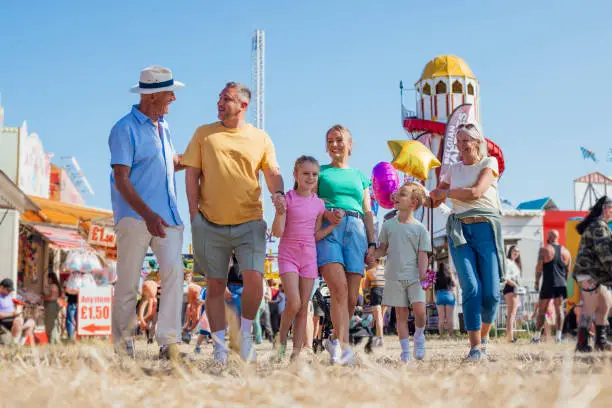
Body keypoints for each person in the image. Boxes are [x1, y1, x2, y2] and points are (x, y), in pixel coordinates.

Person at [182, 82, 284, 364]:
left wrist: (278, 194)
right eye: (219, 98)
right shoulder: (204, 134)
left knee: (255, 280)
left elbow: (272, 172)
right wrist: (194, 215)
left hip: (250, 221)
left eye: (226, 99)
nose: (219, 103)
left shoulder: (260, 138)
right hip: (209, 223)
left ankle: (247, 334)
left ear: (243, 105)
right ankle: (218, 347)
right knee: (214, 287)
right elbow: (191, 174)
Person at [109, 66, 186, 361]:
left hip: (168, 218)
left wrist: (195, 160)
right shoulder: (123, 128)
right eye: (170, 93)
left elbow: (166, 164)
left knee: (174, 273)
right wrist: (148, 214)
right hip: (134, 217)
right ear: (153, 96)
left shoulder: (164, 127)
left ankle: (169, 342)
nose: (173, 99)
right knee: (128, 282)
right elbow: (122, 178)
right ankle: (124, 345)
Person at [430, 122, 505, 361]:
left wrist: (446, 193)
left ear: (477, 142)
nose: (460, 145)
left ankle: (483, 339)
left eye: (465, 140)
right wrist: (427, 194)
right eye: (457, 141)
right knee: (471, 287)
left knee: (492, 294)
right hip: (460, 230)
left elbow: (476, 192)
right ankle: (474, 348)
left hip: (486, 228)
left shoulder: (489, 163)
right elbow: (434, 199)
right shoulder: (451, 169)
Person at [317, 124, 376, 365]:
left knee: (352, 298)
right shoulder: (319, 172)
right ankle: (342, 349)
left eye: (339, 140)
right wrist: (324, 208)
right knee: (338, 289)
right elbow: (306, 199)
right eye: (330, 140)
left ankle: (334, 338)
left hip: (356, 229)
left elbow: (368, 210)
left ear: (350, 145)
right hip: (329, 227)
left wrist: (372, 242)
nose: (334, 144)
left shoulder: (360, 176)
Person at [271, 155, 337, 360]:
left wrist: (333, 225)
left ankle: (296, 353)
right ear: (296, 175)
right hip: (288, 255)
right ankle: (281, 339)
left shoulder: (319, 205)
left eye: (314, 174)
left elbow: (315, 235)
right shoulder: (287, 198)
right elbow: (277, 232)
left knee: (304, 306)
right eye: (305, 173)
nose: (310, 177)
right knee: (294, 303)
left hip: (309, 257)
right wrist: (280, 211)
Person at [371, 182, 431, 362]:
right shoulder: (388, 225)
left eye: (402, 194)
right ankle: (405, 351)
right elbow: (383, 249)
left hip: (415, 277)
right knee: (401, 315)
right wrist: (374, 253)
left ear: (413, 203)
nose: (396, 195)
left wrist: (423, 277)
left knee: (420, 311)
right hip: (394, 276)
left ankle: (419, 335)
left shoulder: (420, 229)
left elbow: (423, 255)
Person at [573, 196, 612, 352]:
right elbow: (605, 254)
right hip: (588, 273)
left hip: (594, 274)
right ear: (604, 209)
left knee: (604, 305)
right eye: (611, 208)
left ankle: (600, 341)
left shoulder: (600, 225)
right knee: (589, 308)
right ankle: (581, 345)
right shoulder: (598, 226)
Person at [532, 230, 571, 343]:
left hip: (548, 283)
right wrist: (563, 282)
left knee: (542, 310)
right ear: (558, 238)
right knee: (560, 310)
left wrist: (536, 282)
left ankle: (536, 337)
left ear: (548, 238)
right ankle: (558, 337)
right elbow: (568, 271)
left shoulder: (544, 250)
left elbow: (539, 267)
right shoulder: (566, 252)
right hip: (561, 284)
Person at [0, 279, 35, 346]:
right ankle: (12, 344)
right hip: (3, 320)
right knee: (19, 320)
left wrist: (17, 311)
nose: (9, 292)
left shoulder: (8, 296)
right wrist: (13, 314)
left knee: (31, 322)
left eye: (10, 290)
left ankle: (20, 345)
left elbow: (11, 309)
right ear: (1, 287)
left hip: (12, 318)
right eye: (8, 290)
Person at [364, 261, 386, 347]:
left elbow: (365, 286)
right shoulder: (387, 270)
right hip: (386, 293)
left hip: (376, 292)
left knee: (378, 318)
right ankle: (379, 337)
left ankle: (380, 339)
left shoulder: (370, 271)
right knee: (381, 317)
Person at [503, 246, 522, 342]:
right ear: (510, 251)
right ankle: (510, 338)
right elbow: (505, 277)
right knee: (511, 314)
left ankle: (511, 337)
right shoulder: (507, 261)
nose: (516, 253)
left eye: (518, 251)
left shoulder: (515, 263)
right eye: (514, 250)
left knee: (513, 314)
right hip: (510, 288)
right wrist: (515, 284)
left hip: (515, 289)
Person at [434, 262, 457, 338]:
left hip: (439, 296)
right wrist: (451, 273)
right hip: (449, 295)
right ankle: (451, 335)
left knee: (441, 318)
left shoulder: (436, 275)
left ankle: (441, 336)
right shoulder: (449, 275)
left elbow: (435, 289)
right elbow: (454, 284)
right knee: (449, 318)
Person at [42, 272, 62, 344]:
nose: (47, 280)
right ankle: (55, 341)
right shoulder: (53, 286)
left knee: (51, 324)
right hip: (51, 305)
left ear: (50, 278)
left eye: (48, 278)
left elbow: (52, 298)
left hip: (51, 305)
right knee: (53, 324)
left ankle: (52, 341)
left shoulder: (53, 286)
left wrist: (44, 297)